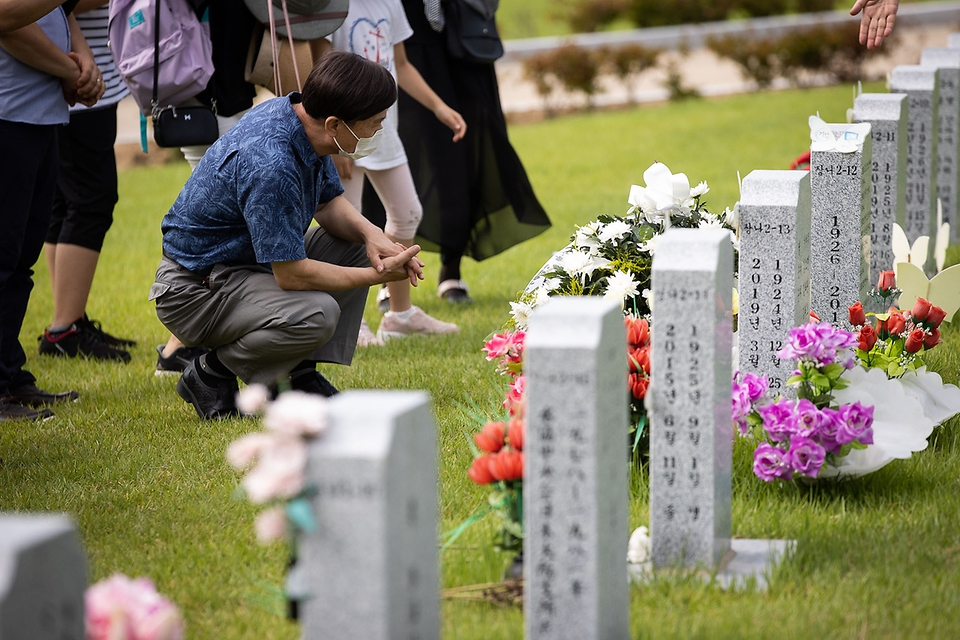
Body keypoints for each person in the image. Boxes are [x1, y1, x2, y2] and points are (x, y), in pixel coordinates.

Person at [151, 50, 425, 420]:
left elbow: (327, 204)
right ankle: (210, 373)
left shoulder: (296, 114)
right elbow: (291, 274)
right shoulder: (271, 164)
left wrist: (373, 235)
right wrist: (377, 277)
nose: (379, 129)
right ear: (334, 124)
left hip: (239, 267)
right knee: (317, 314)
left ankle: (297, 375)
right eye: (374, 122)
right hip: (192, 288)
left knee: (362, 247)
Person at [363, 0, 550, 304]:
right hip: (405, 42)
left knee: (468, 153)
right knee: (393, 145)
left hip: (464, 40)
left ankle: (452, 267)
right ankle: (390, 270)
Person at [323, 0, 464, 344]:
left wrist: (440, 107)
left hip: (384, 131)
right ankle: (350, 325)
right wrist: (333, 142)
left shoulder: (391, 3)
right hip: (346, 133)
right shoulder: (332, 6)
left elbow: (400, 64)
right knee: (348, 226)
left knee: (407, 213)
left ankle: (400, 317)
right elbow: (322, 73)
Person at [0, 2, 103, 421]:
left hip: (38, 114)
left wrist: (83, 63)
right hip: (7, 114)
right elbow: (5, 17)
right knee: (3, 261)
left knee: (20, 259)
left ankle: (10, 377)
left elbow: (64, 9)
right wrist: (68, 68)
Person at [154, 0, 260, 375]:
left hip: (214, 96)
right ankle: (178, 347)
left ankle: (180, 345)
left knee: (221, 227)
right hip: (208, 101)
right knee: (223, 228)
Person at [39, 0, 135, 363]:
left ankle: (69, 319)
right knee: (91, 201)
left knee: (66, 204)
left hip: (78, 83)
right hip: (77, 86)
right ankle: (64, 328)